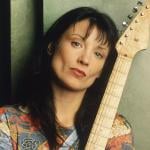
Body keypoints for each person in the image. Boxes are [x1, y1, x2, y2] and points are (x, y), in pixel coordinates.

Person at [0, 7, 134, 150]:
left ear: (101, 70)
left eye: (98, 54)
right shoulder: (6, 123)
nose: (85, 59)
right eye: (76, 43)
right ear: (52, 46)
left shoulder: (116, 130)